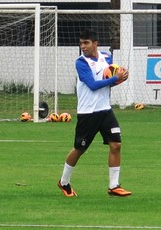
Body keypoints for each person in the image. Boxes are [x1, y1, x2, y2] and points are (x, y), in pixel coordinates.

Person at [57, 29, 132, 197]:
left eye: (86, 43)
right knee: (79, 149)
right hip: (88, 113)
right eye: (81, 43)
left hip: (105, 110)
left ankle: (113, 186)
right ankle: (63, 182)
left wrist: (120, 79)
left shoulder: (107, 57)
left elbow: (107, 83)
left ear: (95, 43)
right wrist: (115, 78)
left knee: (116, 145)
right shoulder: (81, 62)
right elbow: (92, 84)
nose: (83, 46)